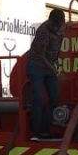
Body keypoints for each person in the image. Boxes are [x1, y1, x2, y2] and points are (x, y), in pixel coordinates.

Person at [26, 8, 66, 140]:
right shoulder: (43, 31)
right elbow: (41, 56)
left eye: (61, 23)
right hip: (37, 66)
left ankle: (45, 129)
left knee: (54, 97)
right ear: (52, 21)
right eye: (58, 24)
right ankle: (35, 132)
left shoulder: (61, 27)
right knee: (38, 97)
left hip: (49, 67)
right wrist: (54, 70)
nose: (59, 26)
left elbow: (66, 28)